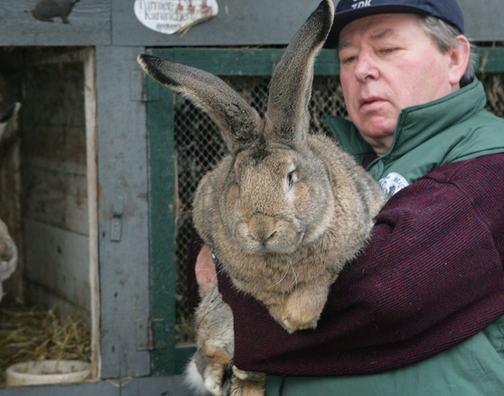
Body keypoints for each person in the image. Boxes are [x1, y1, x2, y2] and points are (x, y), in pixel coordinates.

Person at [191, 0, 504, 394]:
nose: (362, 69)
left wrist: (229, 272)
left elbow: (378, 297)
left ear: (455, 58)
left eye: (387, 49)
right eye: (348, 56)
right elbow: (202, 254)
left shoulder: (490, 165)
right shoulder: (322, 154)